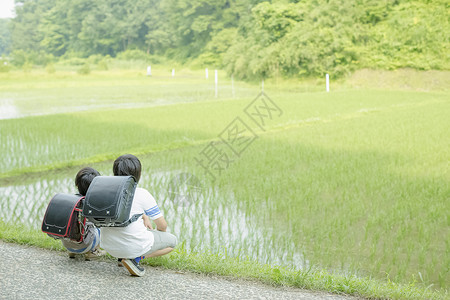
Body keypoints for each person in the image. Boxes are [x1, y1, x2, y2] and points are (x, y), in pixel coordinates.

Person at [100, 154, 177, 276]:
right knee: (172, 241)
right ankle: (135, 258)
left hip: (108, 245)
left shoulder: (106, 191)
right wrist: (154, 234)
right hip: (131, 246)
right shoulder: (142, 194)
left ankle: (122, 259)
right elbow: (162, 226)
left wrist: (143, 216)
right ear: (138, 174)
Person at [62, 167, 105, 260]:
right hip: (86, 245)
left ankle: (72, 252)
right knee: (101, 225)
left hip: (67, 244)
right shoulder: (95, 203)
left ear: (77, 185)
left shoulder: (71, 201)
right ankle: (92, 252)